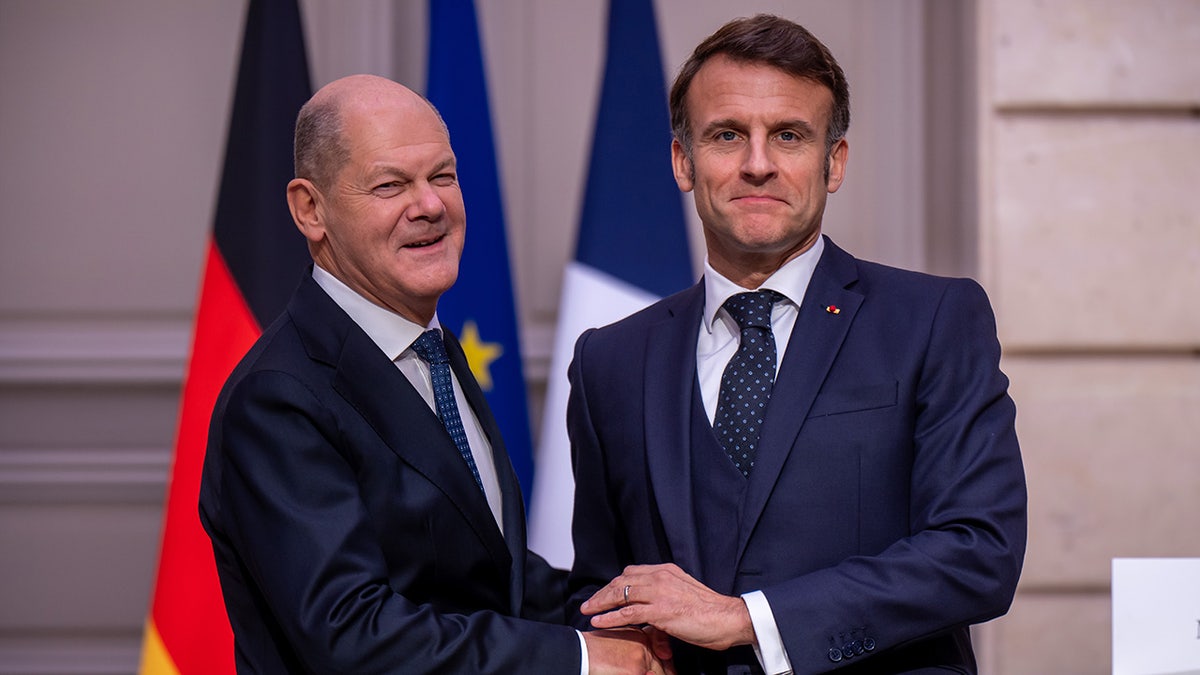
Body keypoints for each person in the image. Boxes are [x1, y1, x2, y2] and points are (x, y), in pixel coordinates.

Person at [566, 15, 1027, 675]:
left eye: (789, 135)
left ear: (833, 161)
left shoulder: (933, 320)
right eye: (727, 135)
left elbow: (979, 552)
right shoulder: (609, 361)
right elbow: (605, 591)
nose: (759, 164)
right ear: (682, 161)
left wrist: (749, 619)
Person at [199, 74, 668, 674]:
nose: (429, 205)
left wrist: (637, 617)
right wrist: (580, 659)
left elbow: (491, 578)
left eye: (442, 176)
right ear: (310, 209)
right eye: (391, 184)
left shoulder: (432, 351)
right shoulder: (278, 399)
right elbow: (352, 634)